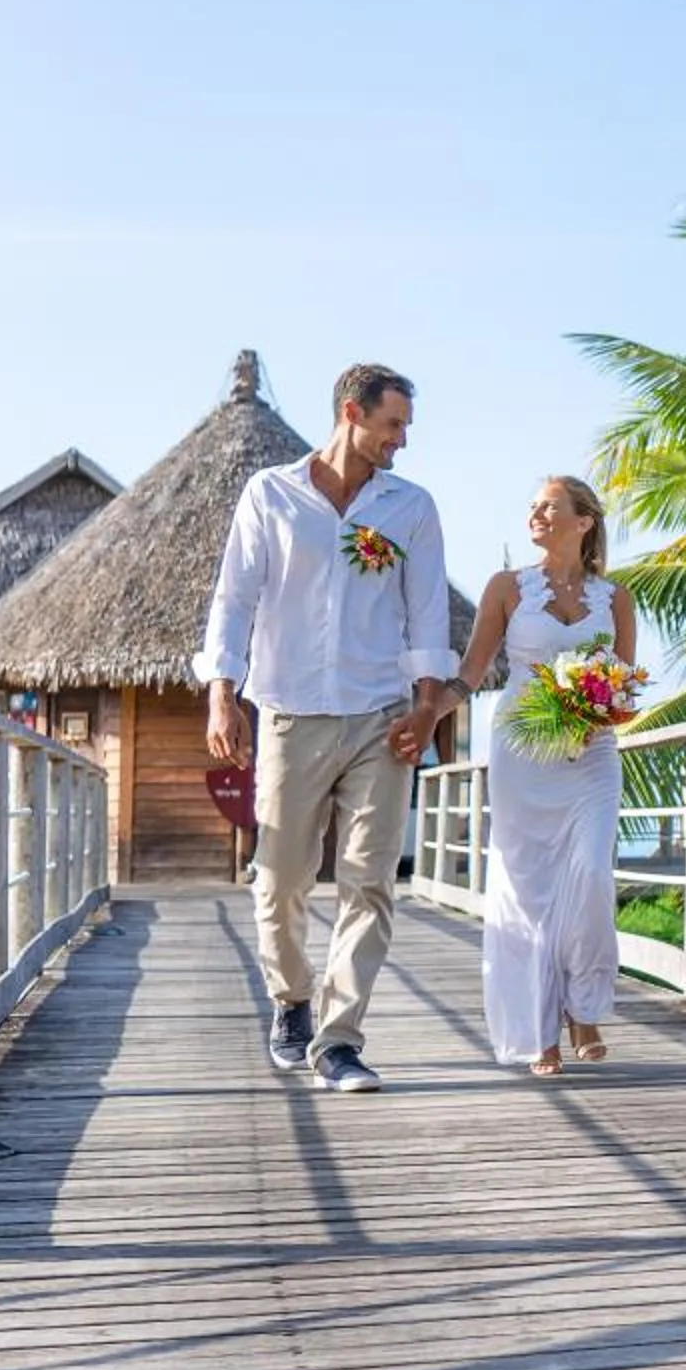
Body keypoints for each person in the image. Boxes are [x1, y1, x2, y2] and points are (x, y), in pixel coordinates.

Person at [196, 363, 458, 1093]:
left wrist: (427, 706)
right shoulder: (269, 494)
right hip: (289, 713)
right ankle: (292, 1002)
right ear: (353, 412)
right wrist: (223, 695)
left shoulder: (412, 507)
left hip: (381, 716)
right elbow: (235, 598)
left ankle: (340, 1042)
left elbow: (428, 611)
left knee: (369, 882)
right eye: (392, 425)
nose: (401, 442)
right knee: (278, 878)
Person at [448, 475, 635, 1077]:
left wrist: (597, 711)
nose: (535, 514)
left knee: (591, 873)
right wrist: (428, 707)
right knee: (528, 890)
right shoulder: (507, 587)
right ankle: (539, 1029)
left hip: (593, 753)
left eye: (548, 506)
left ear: (583, 522)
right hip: (523, 750)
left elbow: (627, 683)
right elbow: (474, 669)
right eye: (531, 506)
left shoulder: (617, 599)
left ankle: (584, 1006)